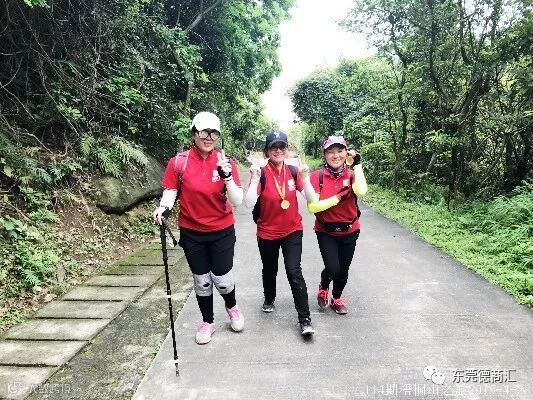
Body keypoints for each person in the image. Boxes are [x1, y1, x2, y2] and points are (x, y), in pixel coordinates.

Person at [153, 111, 244, 345]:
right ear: (194, 133)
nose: (208, 137)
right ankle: (207, 321)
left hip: (222, 230)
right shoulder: (179, 162)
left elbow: (237, 201)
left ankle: (232, 307)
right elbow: (171, 191)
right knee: (202, 281)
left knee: (222, 280)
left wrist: (227, 177)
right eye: (204, 132)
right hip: (192, 232)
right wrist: (163, 208)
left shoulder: (225, 163)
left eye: (214, 133)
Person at [244, 131, 317, 336]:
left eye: (282, 146)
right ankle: (269, 297)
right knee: (270, 269)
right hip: (267, 232)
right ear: (267, 151)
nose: (278, 150)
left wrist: (306, 179)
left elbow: (311, 199)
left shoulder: (293, 171)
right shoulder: (261, 173)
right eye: (273, 147)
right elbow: (249, 203)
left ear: (287, 149)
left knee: (294, 271)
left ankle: (305, 319)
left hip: (292, 230)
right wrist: (254, 179)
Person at [307, 135, 367, 315]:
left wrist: (357, 164)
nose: (335, 155)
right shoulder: (317, 176)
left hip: (350, 229)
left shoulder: (352, 174)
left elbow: (361, 191)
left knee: (343, 270)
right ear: (324, 155)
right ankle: (324, 285)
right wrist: (338, 198)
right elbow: (313, 207)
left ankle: (337, 298)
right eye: (330, 152)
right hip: (326, 231)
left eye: (340, 151)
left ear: (346, 153)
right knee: (333, 268)